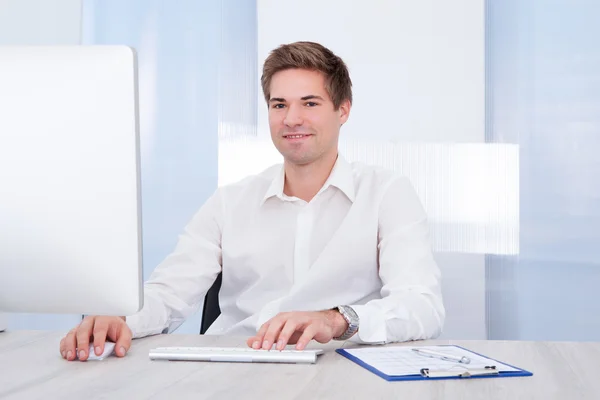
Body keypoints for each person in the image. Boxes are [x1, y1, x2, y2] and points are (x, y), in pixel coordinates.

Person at [59, 41, 445, 362]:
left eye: (309, 103)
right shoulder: (231, 202)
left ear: (342, 110)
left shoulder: (386, 192)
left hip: (340, 367)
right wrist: (120, 318)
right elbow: (170, 293)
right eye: (279, 105)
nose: (291, 118)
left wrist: (336, 320)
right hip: (236, 363)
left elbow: (421, 305)